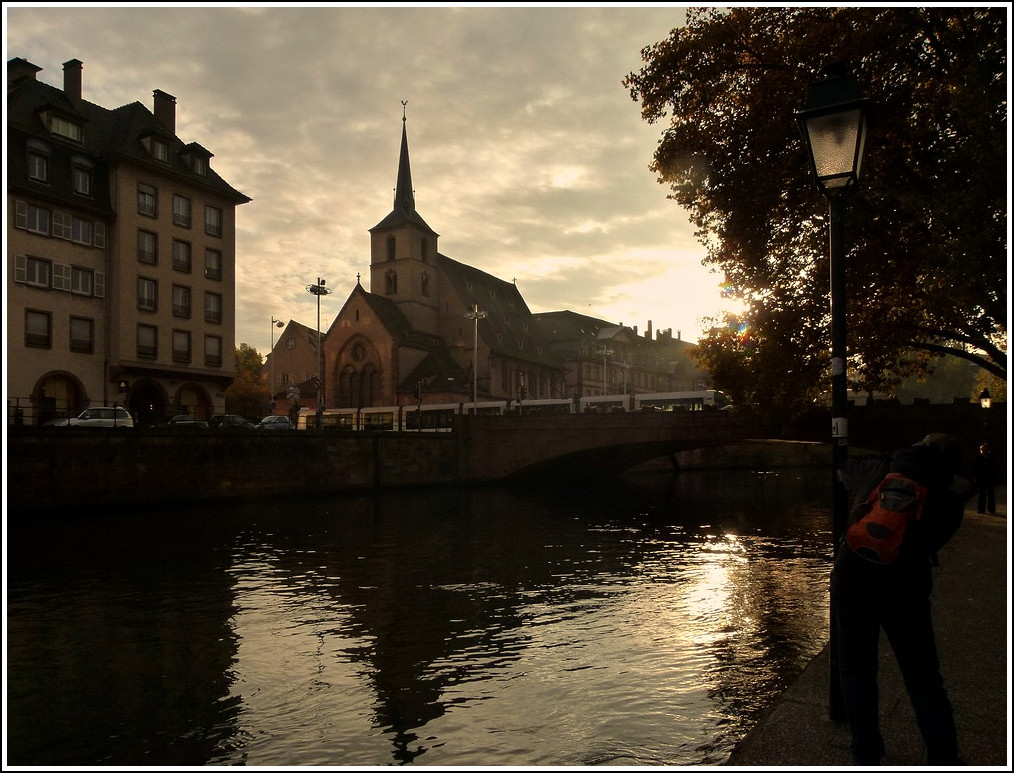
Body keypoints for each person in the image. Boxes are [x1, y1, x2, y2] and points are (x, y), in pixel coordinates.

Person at [830, 433, 971, 765]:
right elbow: (934, 540)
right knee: (922, 674)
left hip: (853, 576)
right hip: (905, 586)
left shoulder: (883, 466)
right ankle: (943, 755)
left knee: (856, 670)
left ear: (917, 447)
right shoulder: (950, 493)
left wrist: (893, 454)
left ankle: (866, 752)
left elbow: (844, 469)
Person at [972, 442, 998, 515]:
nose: (983, 451)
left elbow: (995, 468)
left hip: (989, 479)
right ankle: (981, 509)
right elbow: (974, 468)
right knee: (981, 494)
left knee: (990, 494)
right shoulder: (978, 458)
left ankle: (991, 509)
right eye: (982, 449)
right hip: (982, 479)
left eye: (984, 449)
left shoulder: (991, 458)